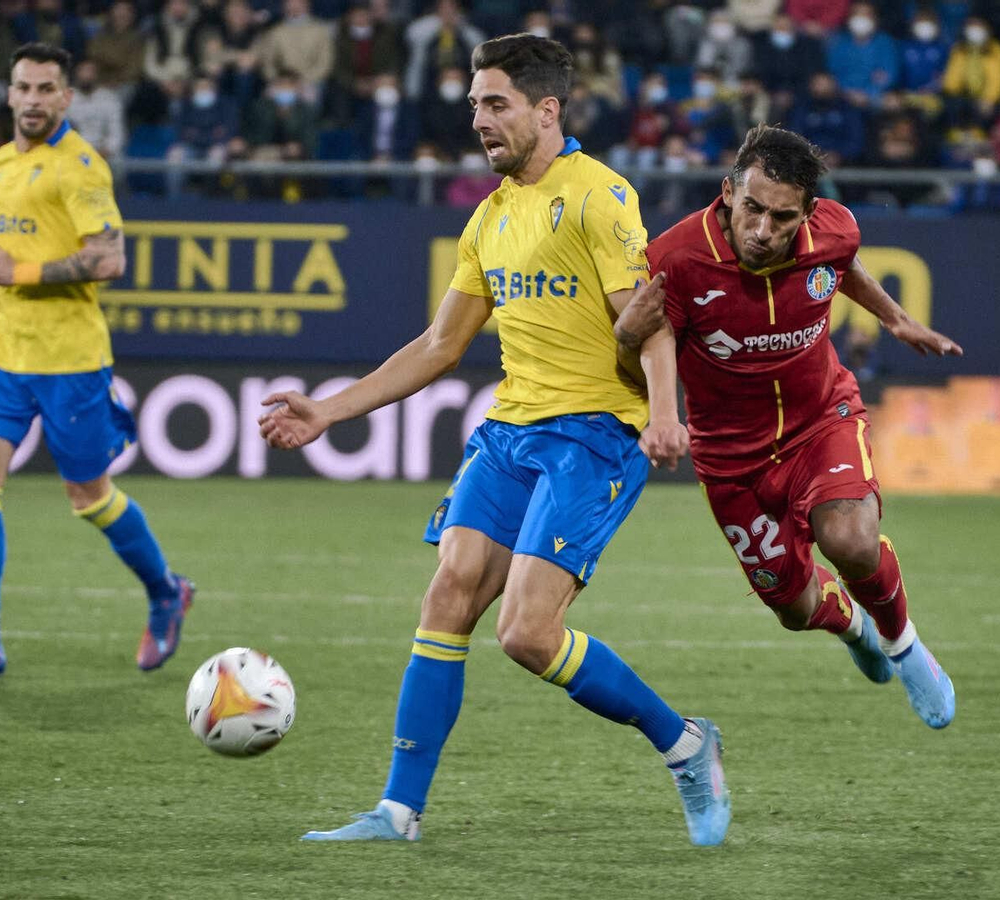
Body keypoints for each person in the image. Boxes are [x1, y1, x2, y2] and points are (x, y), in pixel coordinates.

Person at [259, 34, 729, 846]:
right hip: (511, 431)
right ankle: (397, 812)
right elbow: (440, 346)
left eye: (495, 103)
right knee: (447, 591)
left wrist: (662, 412)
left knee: (526, 634)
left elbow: (648, 319)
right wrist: (329, 411)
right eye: (474, 104)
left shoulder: (599, 196)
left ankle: (686, 745)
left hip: (594, 434)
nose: (478, 120)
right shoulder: (489, 215)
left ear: (547, 111)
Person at [613, 125, 962, 732]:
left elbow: (842, 263)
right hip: (731, 460)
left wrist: (896, 319)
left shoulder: (835, 228)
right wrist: (664, 416)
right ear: (727, 192)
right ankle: (854, 629)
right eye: (752, 209)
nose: (763, 231)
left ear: (808, 212)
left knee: (850, 541)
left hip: (821, 419)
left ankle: (904, 644)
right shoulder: (676, 258)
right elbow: (655, 336)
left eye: (783, 218)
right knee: (796, 609)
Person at [0, 43, 193, 678]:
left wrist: (13, 270)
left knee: (89, 496)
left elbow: (108, 259)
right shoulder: (1, 161)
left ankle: (165, 591)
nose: (35, 99)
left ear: (66, 98)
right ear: (10, 94)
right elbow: (14, 249)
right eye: (25, 87)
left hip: (69, 358)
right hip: (0, 349)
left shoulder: (81, 167)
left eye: (48, 89)